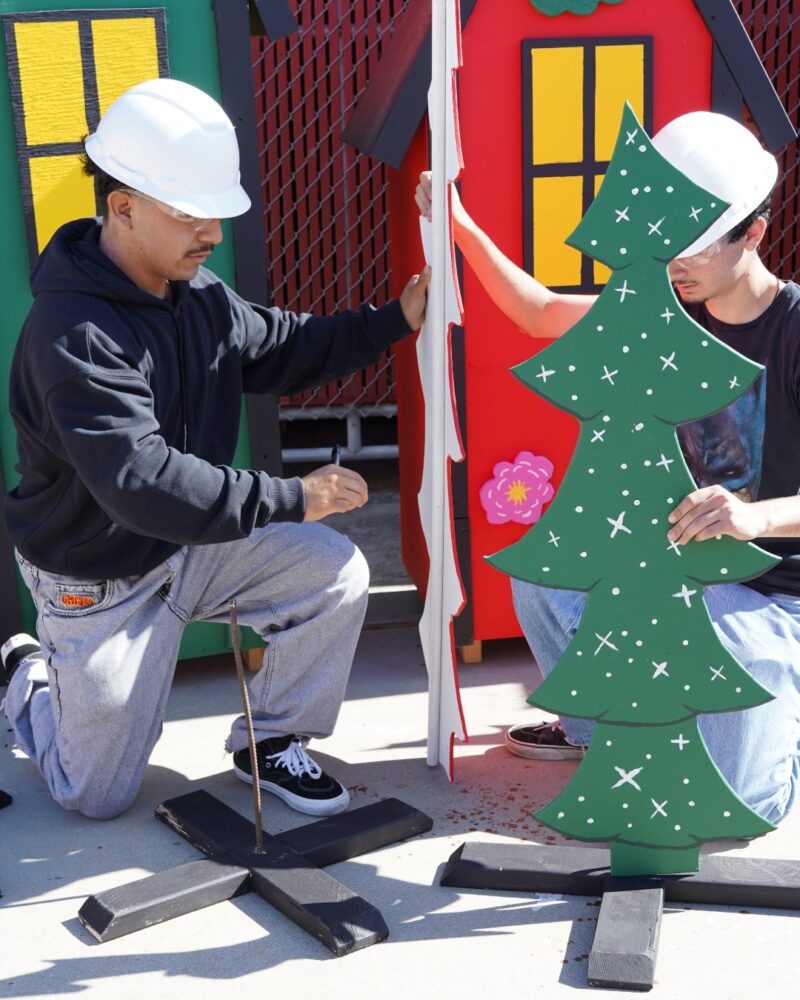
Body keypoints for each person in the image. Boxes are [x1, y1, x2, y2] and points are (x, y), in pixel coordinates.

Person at [1, 77, 430, 821]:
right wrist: (294, 496)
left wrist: (395, 317)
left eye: (216, 213)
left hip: (189, 547)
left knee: (331, 572)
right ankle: (27, 676)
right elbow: (140, 480)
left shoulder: (196, 294)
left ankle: (270, 741)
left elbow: (284, 345)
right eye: (191, 214)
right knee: (94, 796)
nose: (212, 233)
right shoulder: (72, 334)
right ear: (123, 206)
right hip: (95, 575)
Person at [416, 110, 800, 825]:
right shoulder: (671, 312)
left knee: (740, 804)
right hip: (692, 577)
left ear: (754, 232)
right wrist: (458, 223)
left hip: (781, 601)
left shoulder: (795, 329)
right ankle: (606, 733)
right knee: (540, 571)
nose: (676, 264)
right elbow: (537, 313)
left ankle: (782, 733)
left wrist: (754, 516)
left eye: (695, 247)